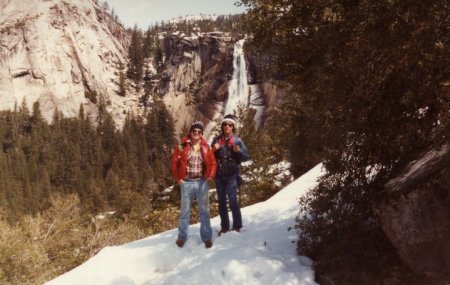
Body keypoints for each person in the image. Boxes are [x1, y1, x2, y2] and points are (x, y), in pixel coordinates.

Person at [171, 121, 217, 248]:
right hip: (186, 182)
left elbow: (213, 163)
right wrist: (178, 178)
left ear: (202, 134)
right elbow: (174, 161)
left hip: (201, 182)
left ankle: (207, 237)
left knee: (205, 211)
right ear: (190, 133)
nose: (196, 133)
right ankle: (182, 237)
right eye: (194, 131)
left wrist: (210, 176)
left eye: (199, 132)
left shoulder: (206, 147)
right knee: (185, 212)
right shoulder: (182, 145)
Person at [211, 114, 249, 235]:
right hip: (219, 175)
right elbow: (209, 157)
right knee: (221, 201)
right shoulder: (216, 140)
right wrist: (213, 150)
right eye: (225, 124)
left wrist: (239, 152)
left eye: (230, 125)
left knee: (233, 200)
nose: (227, 126)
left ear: (233, 127)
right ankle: (225, 226)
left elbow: (246, 157)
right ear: (222, 126)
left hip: (232, 175)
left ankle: (237, 225)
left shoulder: (237, 140)